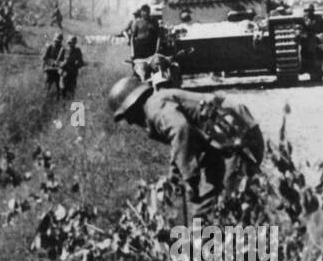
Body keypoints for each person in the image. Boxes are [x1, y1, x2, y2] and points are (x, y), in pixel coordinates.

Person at [109, 73, 264, 225]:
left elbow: (181, 130)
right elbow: (179, 145)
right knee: (205, 209)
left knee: (232, 203)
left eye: (127, 115)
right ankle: (206, 241)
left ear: (133, 106)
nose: (129, 122)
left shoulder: (154, 108)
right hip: (218, 146)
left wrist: (190, 177)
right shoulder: (156, 105)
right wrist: (174, 177)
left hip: (237, 140)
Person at [42, 33, 64, 98]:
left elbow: (64, 59)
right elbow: (45, 58)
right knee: (47, 87)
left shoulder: (62, 49)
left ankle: (58, 101)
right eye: (56, 41)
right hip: (49, 70)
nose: (57, 42)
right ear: (54, 40)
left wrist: (61, 64)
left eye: (59, 41)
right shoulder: (50, 47)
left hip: (58, 71)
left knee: (59, 88)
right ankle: (44, 100)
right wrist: (52, 62)